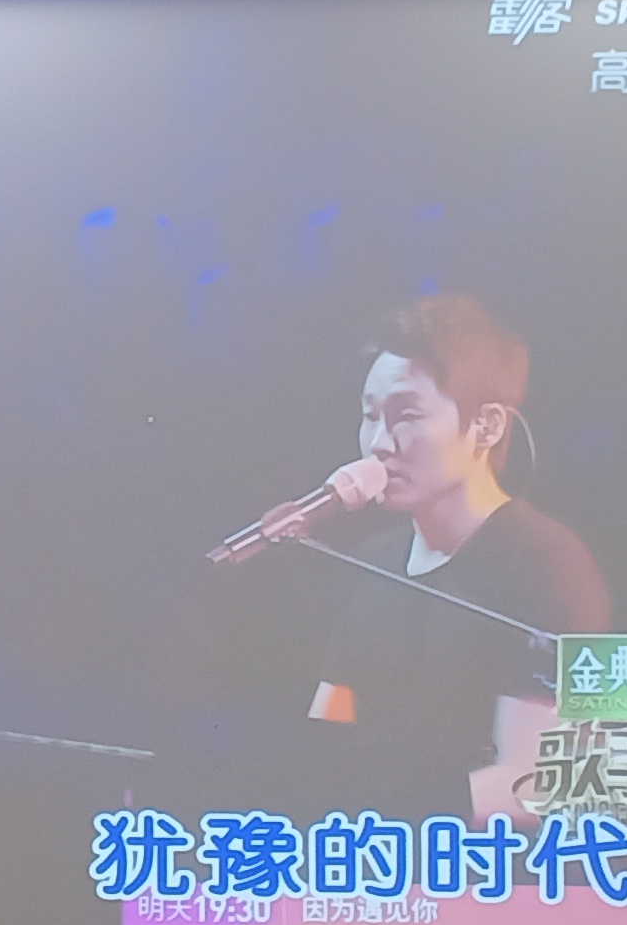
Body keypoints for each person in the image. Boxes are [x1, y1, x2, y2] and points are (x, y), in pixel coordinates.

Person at [259, 294, 609, 823]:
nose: (379, 443)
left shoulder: (550, 562)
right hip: (373, 855)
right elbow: (329, 729)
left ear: (487, 426)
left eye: (406, 416)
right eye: (370, 416)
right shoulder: (372, 561)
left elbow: (549, 779)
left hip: (490, 866)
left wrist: (388, 813)